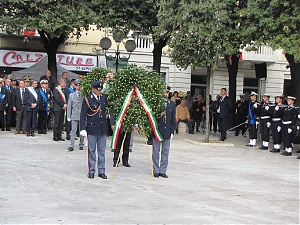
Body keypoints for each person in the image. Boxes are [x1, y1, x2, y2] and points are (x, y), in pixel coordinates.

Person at [80, 81, 107, 179]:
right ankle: (91, 170)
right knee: (91, 151)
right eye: (97, 89)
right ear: (93, 89)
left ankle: (101, 170)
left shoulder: (104, 97)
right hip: (92, 128)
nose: (99, 91)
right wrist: (82, 128)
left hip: (102, 128)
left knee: (102, 151)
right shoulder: (88, 99)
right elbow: (83, 115)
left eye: (100, 89)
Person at [152, 85, 176, 178]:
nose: (165, 94)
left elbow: (173, 119)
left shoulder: (172, 104)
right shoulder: (156, 103)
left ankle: (163, 170)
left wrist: (172, 131)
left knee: (165, 151)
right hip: (158, 131)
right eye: (164, 92)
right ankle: (156, 170)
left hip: (167, 131)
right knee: (156, 151)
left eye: (166, 92)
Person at [67, 79, 84, 151]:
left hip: (82, 115)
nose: (78, 86)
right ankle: (72, 145)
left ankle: (81, 144)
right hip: (74, 115)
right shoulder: (71, 95)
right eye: (77, 85)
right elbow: (69, 106)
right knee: (73, 131)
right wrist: (68, 116)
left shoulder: (83, 94)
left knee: (82, 131)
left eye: (79, 85)